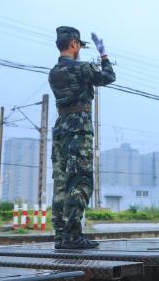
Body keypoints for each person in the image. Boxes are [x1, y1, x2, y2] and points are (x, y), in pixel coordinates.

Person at [49, 26, 115, 249]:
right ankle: (73, 236)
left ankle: (60, 235)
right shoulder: (82, 68)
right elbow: (108, 76)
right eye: (79, 45)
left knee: (60, 183)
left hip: (60, 128)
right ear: (74, 44)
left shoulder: (53, 72)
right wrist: (103, 54)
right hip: (79, 128)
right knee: (80, 180)